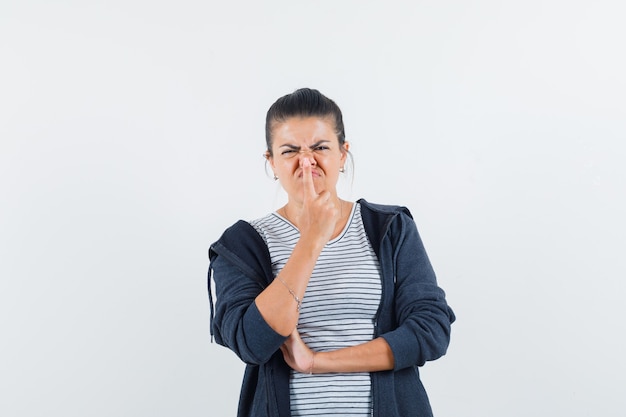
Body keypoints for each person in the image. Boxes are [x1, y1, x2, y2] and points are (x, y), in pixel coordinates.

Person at [208, 88, 455, 417]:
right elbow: (252, 342)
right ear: (271, 162)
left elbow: (431, 330)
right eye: (289, 150)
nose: (306, 161)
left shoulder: (390, 228)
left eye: (320, 147)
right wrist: (311, 238)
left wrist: (317, 362)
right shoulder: (244, 243)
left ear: (342, 154)